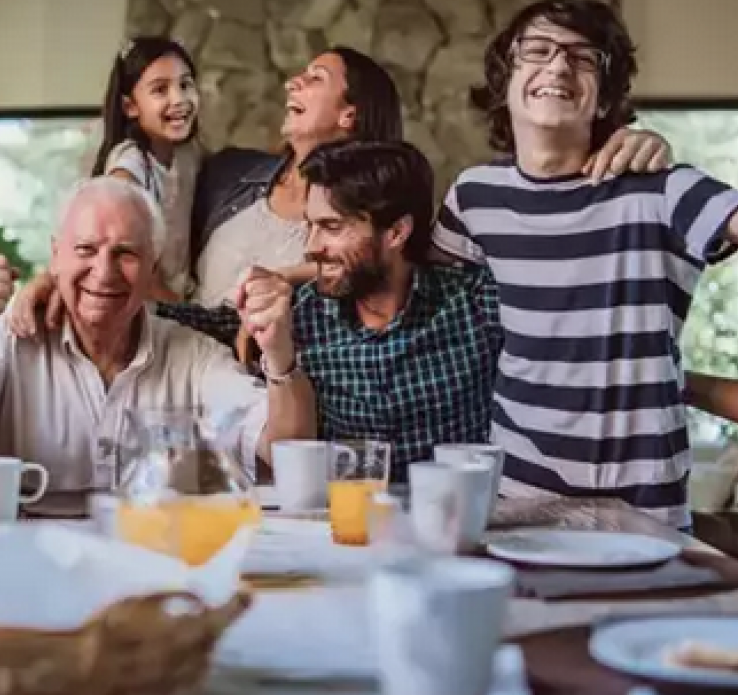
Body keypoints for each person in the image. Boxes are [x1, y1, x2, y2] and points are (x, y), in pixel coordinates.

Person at [432, 0, 738, 528]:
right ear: (505, 80)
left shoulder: (665, 190)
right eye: (537, 50)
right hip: (517, 503)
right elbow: (401, 282)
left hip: (645, 516)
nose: (558, 66)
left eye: (583, 57)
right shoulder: (473, 198)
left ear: (603, 99)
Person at [10, 46, 673, 338]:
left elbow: (411, 271)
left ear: (351, 114)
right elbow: (122, 206)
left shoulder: (380, 217)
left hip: (300, 400)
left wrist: (640, 148)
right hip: (191, 373)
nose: (293, 84)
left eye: (314, 77)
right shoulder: (228, 175)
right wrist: (61, 275)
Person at [0, 176, 315, 490]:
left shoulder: (193, 355)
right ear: (55, 257)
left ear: (153, 268)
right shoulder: (8, 339)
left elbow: (285, 452)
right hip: (37, 575)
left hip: (157, 572)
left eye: (125, 253)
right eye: (85, 250)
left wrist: (278, 353)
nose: (104, 272)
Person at [153, 139, 499, 479]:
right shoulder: (298, 315)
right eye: (310, 225)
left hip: (453, 522)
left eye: (332, 227)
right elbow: (199, 320)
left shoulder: (472, 304)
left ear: (396, 232)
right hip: (341, 528)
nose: (311, 247)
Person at [90, 36, 203, 301]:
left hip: (182, 299)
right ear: (130, 107)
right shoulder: (130, 163)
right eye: (160, 90)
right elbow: (125, 260)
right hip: (146, 307)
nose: (179, 99)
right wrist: (189, 316)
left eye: (185, 85)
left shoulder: (187, 153)